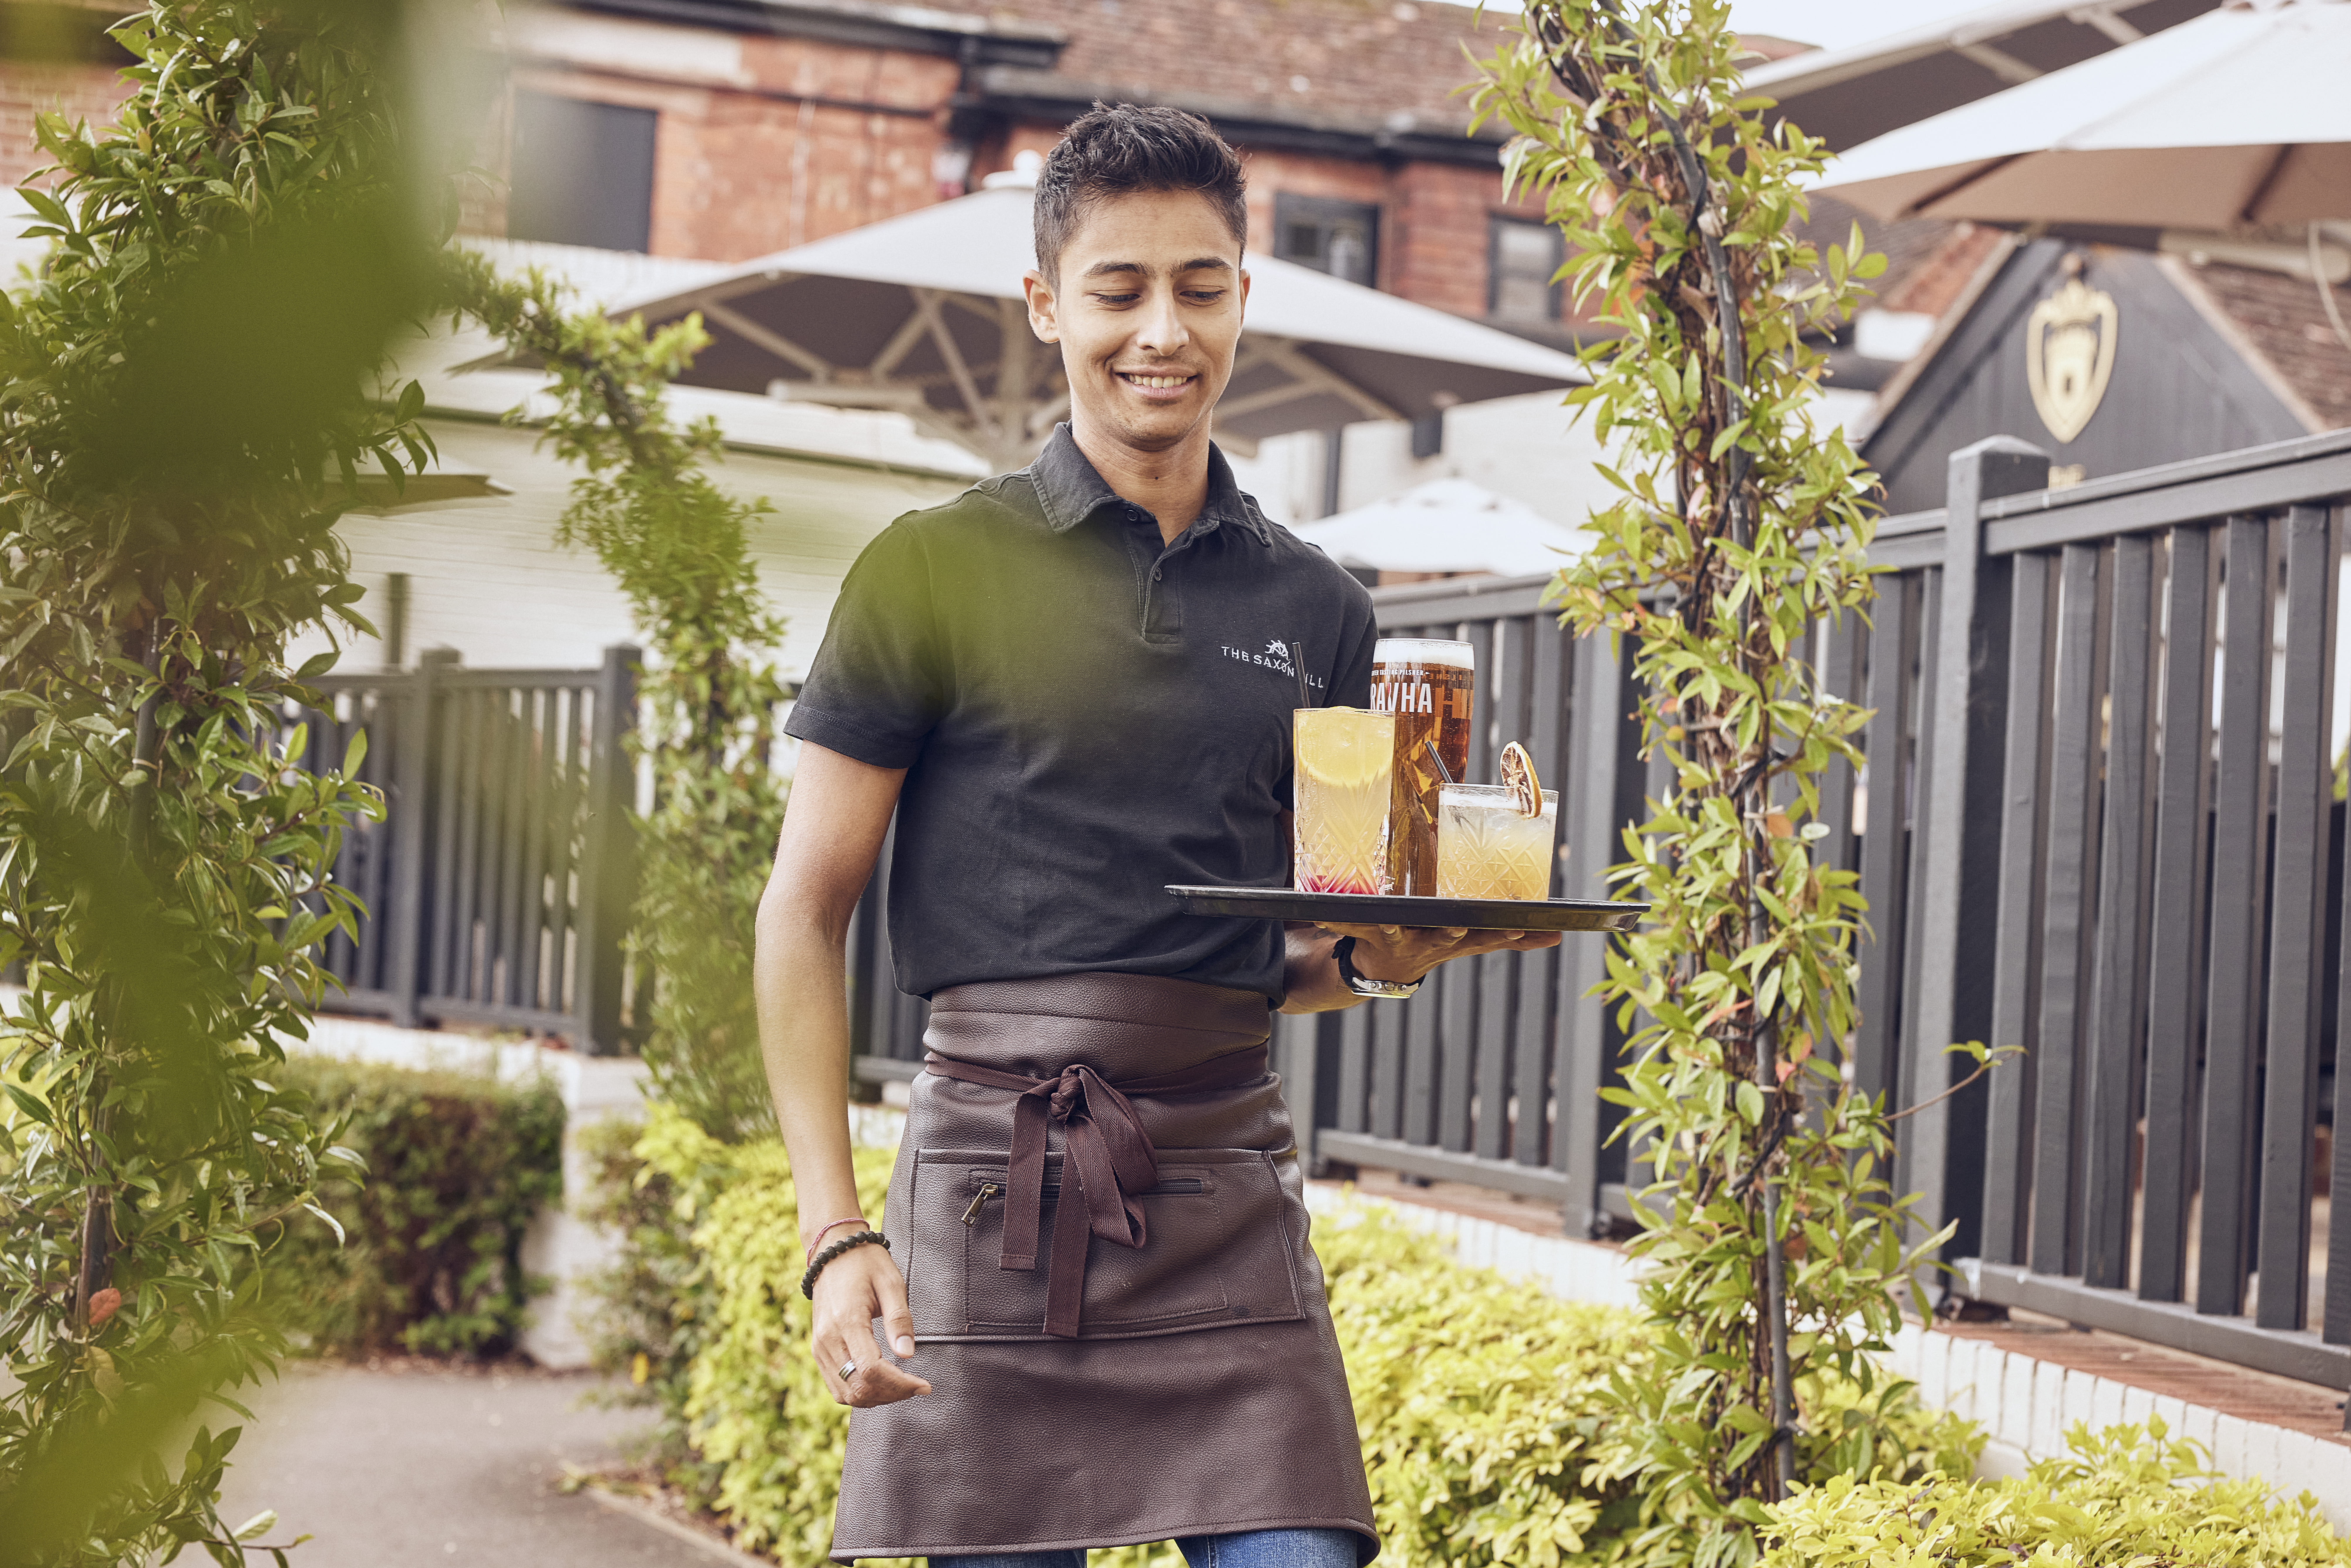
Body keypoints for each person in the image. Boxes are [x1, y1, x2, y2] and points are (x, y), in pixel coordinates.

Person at [755, 103, 1561, 1568]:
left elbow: (1298, 943)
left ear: (1245, 295)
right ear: (1045, 303)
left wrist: (1391, 957)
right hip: (995, 1196)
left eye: (1198, 285)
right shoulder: (931, 567)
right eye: (1117, 289)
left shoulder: (1318, 609)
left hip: (1221, 1194)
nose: (1160, 330)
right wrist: (833, 1236)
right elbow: (803, 911)